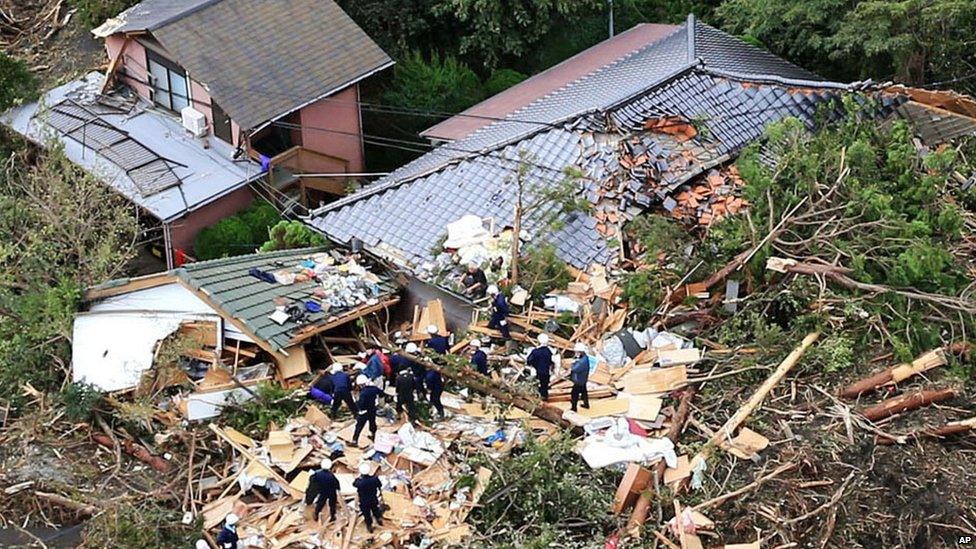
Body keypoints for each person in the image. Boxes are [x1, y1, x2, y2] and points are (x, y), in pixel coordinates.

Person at [305, 458, 340, 523]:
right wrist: (338, 489)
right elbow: (336, 484)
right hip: (331, 491)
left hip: (322, 491)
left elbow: (312, 481)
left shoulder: (317, 474)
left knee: (320, 503)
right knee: (332, 504)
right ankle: (332, 516)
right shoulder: (331, 475)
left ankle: (316, 514)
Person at [353, 462, 384, 533]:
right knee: (375, 510)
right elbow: (380, 485)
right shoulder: (374, 479)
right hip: (373, 498)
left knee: (367, 514)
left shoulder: (360, 482)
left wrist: (358, 478)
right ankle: (379, 519)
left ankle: (369, 526)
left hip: (364, 501)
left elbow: (354, 484)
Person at [352, 375, 382, 446]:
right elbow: (381, 394)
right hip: (372, 409)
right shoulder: (374, 388)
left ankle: (355, 440)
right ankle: (373, 436)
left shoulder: (363, 393)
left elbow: (361, 404)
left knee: (359, 426)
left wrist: (356, 402)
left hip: (364, 411)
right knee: (372, 423)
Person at [526, 333, 554, 400]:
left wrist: (534, 365)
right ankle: (544, 398)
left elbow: (529, 361)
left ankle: (537, 398)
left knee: (537, 385)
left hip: (538, 371)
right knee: (544, 386)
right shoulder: (548, 351)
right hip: (546, 372)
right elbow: (550, 361)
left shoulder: (535, 351)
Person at [570, 343, 591, 412]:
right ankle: (586, 404)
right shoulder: (585, 358)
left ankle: (574, 408)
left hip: (579, 380)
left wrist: (573, 363)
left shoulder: (581, 362)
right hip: (583, 378)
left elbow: (574, 369)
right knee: (584, 392)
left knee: (574, 394)